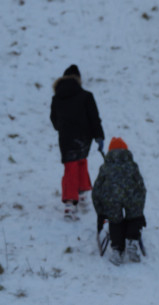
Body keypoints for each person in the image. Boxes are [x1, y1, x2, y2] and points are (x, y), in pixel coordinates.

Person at [50, 64, 104, 219]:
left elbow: (54, 121)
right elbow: (94, 118)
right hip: (84, 137)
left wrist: (63, 128)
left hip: (66, 138)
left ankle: (70, 203)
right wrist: (99, 136)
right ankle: (79, 196)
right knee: (81, 161)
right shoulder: (86, 96)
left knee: (70, 166)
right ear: (78, 79)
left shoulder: (57, 97)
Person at [92, 137, 147, 266]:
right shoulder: (132, 166)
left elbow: (97, 189)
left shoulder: (105, 167)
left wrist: (100, 211)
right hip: (131, 196)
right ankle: (132, 242)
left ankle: (117, 250)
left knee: (115, 221)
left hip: (112, 198)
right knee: (134, 216)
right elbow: (140, 185)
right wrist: (140, 206)